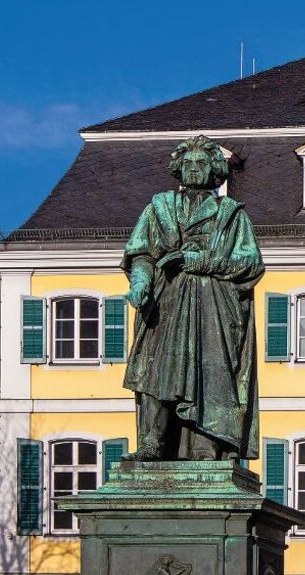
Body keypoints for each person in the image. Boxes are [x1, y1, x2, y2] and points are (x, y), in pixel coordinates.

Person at [121, 135, 264, 461]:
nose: (194, 170)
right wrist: (140, 282)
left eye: (201, 164)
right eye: (188, 164)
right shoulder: (159, 208)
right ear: (179, 169)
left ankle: (206, 445)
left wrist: (196, 261)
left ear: (215, 170)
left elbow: (250, 262)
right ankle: (153, 442)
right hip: (165, 304)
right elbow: (141, 252)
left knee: (210, 373)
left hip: (213, 308)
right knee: (156, 369)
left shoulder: (231, 214)